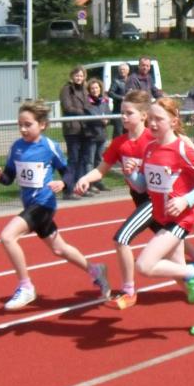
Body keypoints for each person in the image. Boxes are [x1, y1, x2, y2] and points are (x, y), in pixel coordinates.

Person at [0, 101, 110, 311]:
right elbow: (9, 177)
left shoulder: (49, 146)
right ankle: (95, 270)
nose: (23, 129)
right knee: (59, 248)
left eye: (28, 125)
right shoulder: (16, 147)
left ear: (42, 124)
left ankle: (26, 286)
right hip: (30, 204)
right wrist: (0, 176)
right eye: (20, 124)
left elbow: (68, 171)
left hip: (44, 204)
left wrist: (63, 183)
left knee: (7, 236)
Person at [124, 97, 194, 336]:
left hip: (180, 219)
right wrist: (131, 174)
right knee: (176, 271)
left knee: (144, 265)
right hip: (162, 217)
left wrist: (186, 200)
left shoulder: (182, 149)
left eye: (159, 119)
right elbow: (143, 186)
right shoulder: (150, 148)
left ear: (174, 121)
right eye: (150, 119)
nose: (153, 123)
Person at [74, 90, 156, 309]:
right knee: (168, 237)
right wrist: (86, 178)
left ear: (144, 115)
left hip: (155, 198)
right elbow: (101, 169)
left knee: (121, 239)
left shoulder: (153, 140)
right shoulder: (120, 143)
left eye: (129, 113)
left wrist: (139, 168)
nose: (124, 117)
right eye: (122, 113)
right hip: (139, 197)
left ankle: (129, 291)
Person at [59, 65, 93, 199]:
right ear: (72, 76)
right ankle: (68, 190)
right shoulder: (66, 89)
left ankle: (81, 188)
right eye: (77, 75)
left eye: (81, 76)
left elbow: (90, 104)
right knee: (73, 160)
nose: (79, 78)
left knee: (83, 160)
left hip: (85, 129)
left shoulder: (85, 89)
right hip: (72, 129)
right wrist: (84, 112)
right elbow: (68, 107)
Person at [84, 78, 110, 193]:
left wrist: (107, 119)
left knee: (99, 159)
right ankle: (89, 184)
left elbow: (108, 113)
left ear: (100, 89)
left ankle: (98, 181)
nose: (95, 90)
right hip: (91, 135)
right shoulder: (87, 102)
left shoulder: (104, 101)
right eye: (92, 88)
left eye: (96, 88)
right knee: (89, 160)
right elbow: (90, 115)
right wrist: (100, 119)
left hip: (102, 134)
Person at [108, 63, 129, 138]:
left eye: (123, 69)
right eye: (120, 70)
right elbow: (110, 93)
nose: (122, 71)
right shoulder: (116, 81)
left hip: (128, 110)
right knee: (118, 132)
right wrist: (121, 98)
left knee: (128, 131)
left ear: (128, 71)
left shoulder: (131, 81)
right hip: (118, 110)